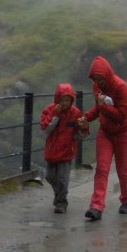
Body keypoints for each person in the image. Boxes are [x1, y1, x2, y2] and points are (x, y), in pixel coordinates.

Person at [77, 56, 127, 221]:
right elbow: (98, 109)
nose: (98, 82)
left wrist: (103, 106)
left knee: (122, 169)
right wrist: (86, 118)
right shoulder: (97, 87)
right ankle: (96, 206)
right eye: (95, 79)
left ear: (108, 74)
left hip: (124, 132)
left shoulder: (121, 88)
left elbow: (122, 116)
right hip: (105, 133)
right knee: (101, 169)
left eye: (100, 78)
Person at [40, 83, 88, 213]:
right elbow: (45, 129)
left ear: (71, 100)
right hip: (52, 150)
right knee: (50, 176)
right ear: (57, 99)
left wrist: (83, 128)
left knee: (63, 178)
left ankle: (61, 202)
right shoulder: (49, 110)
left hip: (66, 151)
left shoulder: (75, 113)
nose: (65, 103)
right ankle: (59, 196)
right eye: (62, 100)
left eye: (67, 100)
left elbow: (80, 134)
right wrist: (55, 115)